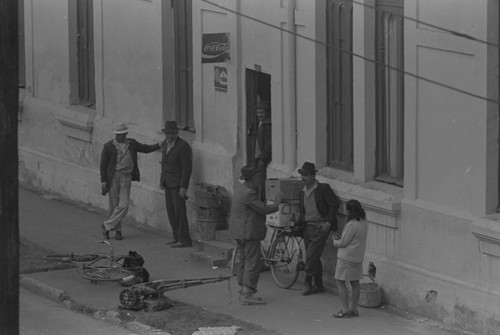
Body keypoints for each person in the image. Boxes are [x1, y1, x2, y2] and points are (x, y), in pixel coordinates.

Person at [229, 163, 282, 305]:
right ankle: (247, 293)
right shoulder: (249, 193)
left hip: (239, 232)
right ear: (252, 178)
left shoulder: (241, 190)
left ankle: (242, 288)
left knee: (243, 259)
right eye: (258, 176)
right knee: (252, 261)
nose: (260, 178)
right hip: (248, 232)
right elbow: (263, 209)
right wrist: (277, 204)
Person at [100, 123, 161, 240]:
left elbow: (146, 149)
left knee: (124, 205)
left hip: (126, 177)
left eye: (123, 134)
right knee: (113, 205)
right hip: (113, 177)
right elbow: (103, 165)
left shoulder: (132, 144)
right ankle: (116, 231)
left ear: (126, 134)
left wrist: (158, 145)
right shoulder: (108, 146)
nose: (121, 137)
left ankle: (106, 225)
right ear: (115, 135)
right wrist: (103, 181)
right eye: (119, 135)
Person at [297, 161, 340, 295]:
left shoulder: (323, 189)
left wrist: (328, 223)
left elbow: (334, 204)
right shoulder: (301, 191)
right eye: (302, 175)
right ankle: (319, 284)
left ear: (313, 176)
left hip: (321, 226)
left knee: (310, 255)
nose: (303, 178)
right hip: (307, 226)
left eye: (306, 176)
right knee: (314, 256)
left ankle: (307, 281)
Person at [160, 121, 193, 248]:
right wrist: (162, 180)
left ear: (177, 133)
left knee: (179, 212)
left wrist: (184, 187)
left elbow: (187, 168)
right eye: (167, 133)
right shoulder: (164, 144)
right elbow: (164, 163)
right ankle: (176, 236)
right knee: (171, 212)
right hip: (167, 182)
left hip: (177, 184)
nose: (169, 136)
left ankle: (184, 239)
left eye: (172, 133)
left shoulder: (183, 146)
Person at [333, 199, 368, 318]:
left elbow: (343, 242)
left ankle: (345, 309)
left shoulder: (352, 224)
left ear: (349, 211)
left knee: (340, 282)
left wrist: (335, 241)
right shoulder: (364, 222)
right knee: (355, 282)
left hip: (346, 257)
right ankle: (354, 309)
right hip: (357, 257)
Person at [254, 101, 271, 200]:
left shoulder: (267, 125)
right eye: (258, 113)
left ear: (267, 113)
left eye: (262, 112)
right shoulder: (261, 124)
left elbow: (269, 145)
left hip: (263, 159)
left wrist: (262, 158)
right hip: (259, 158)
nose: (259, 115)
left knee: (263, 182)